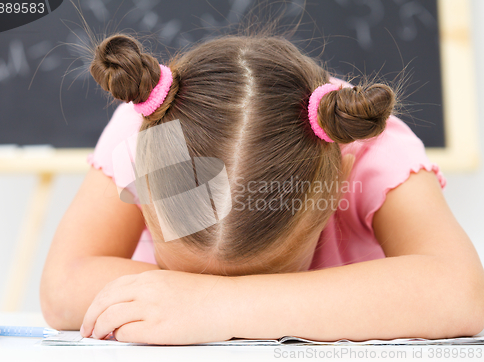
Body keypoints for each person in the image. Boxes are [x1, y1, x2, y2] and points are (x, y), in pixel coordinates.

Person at [40, 32, 484, 345]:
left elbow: (461, 293)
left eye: (265, 277)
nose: (194, 292)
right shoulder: (149, 133)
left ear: (340, 181)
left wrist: (218, 307)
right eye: (189, 279)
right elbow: (63, 290)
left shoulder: (367, 147)